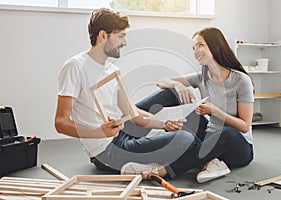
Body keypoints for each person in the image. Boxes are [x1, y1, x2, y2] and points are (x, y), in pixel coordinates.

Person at [54, 7, 200, 180]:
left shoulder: (112, 70)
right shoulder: (75, 67)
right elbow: (61, 123)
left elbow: (132, 113)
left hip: (119, 134)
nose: (125, 43)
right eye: (121, 36)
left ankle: (198, 154)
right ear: (103, 36)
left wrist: (164, 124)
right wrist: (99, 132)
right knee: (185, 139)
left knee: (170, 93)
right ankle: (200, 158)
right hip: (106, 152)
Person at [123, 27, 254, 183]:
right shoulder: (202, 77)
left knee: (226, 132)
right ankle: (126, 128)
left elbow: (245, 126)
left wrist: (214, 111)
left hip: (237, 146)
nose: (196, 51)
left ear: (215, 45)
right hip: (208, 138)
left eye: (200, 45)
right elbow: (162, 81)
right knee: (177, 99)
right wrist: (178, 86)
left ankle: (163, 170)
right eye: (193, 48)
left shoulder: (241, 80)